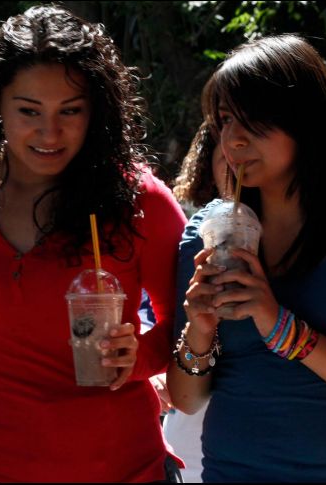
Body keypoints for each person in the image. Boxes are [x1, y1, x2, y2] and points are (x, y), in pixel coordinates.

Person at [0, 5, 186, 482]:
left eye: (70, 110)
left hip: (125, 469)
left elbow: (187, 331)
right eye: (28, 111)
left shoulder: (140, 200)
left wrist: (139, 356)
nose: (49, 132)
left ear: (96, 111)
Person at [166, 34, 326, 482]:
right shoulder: (208, 233)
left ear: (306, 120)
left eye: (255, 119)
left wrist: (276, 322)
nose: (235, 139)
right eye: (225, 120)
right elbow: (187, 400)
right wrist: (200, 328)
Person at [150, 123, 229, 483]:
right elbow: (153, 315)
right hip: (194, 449)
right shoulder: (193, 236)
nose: (241, 145)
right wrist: (155, 369)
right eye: (226, 133)